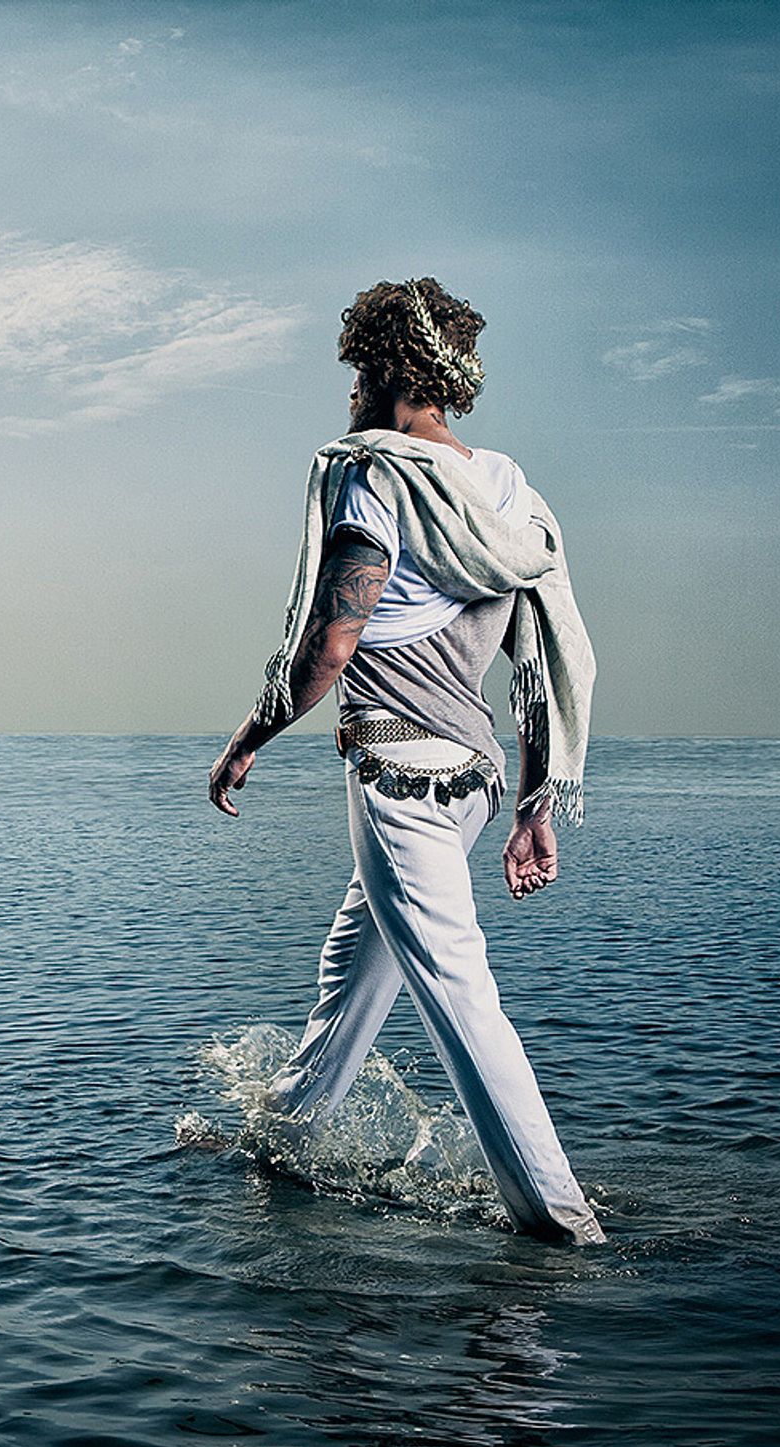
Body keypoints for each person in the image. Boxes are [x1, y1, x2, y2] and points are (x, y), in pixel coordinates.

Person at [205, 277, 606, 1246]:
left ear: (379, 370)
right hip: (469, 784)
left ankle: (565, 1225)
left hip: (397, 782)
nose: (345, 391)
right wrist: (532, 806)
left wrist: (249, 733)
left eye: (352, 369)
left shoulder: (372, 476)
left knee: (460, 998)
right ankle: (281, 1132)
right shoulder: (505, 491)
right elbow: (537, 669)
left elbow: (331, 646)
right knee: (355, 961)